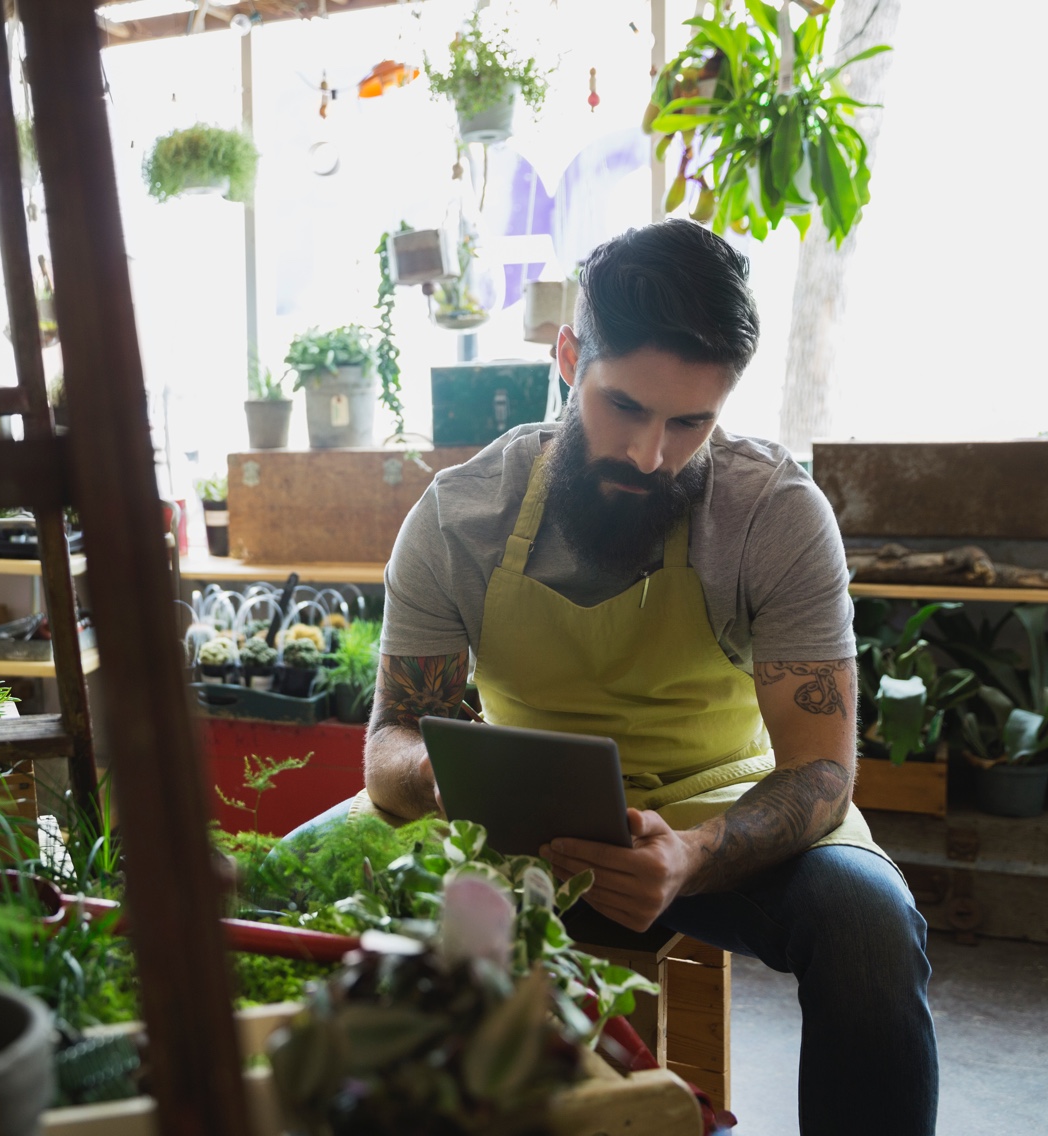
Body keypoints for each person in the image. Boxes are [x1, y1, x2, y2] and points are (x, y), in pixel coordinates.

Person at [353, 219, 938, 1136]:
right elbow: (390, 740)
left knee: (870, 927)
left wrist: (694, 856)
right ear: (569, 356)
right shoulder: (460, 516)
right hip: (509, 817)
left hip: (723, 809)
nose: (651, 454)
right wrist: (450, 777)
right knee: (298, 873)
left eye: (691, 422)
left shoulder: (775, 516)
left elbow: (823, 774)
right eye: (623, 407)